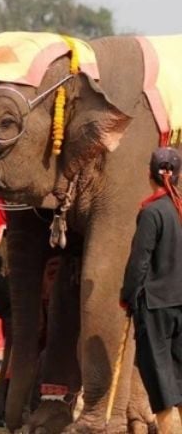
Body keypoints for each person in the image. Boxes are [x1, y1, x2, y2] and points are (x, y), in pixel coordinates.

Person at [121, 147, 182, 433]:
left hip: (156, 305)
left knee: (158, 376)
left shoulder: (152, 212)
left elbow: (139, 262)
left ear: (149, 175)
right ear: (178, 177)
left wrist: (128, 297)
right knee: (180, 374)